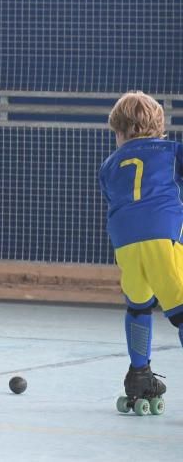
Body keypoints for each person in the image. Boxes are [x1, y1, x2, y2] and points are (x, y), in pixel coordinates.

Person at [98, 91, 183, 412]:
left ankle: (139, 375)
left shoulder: (108, 165)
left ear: (119, 131)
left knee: (139, 306)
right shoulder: (173, 151)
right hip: (162, 236)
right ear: (159, 128)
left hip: (124, 242)